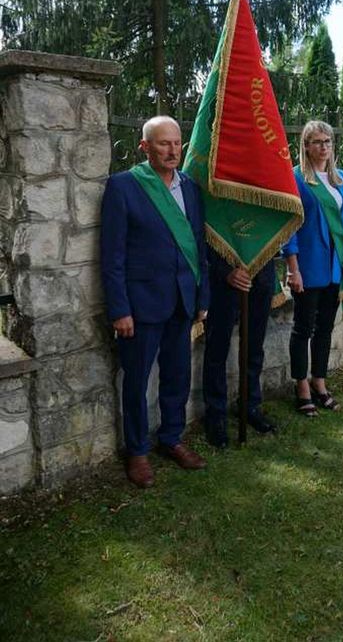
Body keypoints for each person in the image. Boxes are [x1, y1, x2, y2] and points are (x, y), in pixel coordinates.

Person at [101, 116, 209, 487]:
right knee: (136, 382)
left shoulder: (191, 189)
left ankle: (172, 439)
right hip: (141, 306)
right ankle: (137, 451)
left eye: (177, 143)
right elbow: (112, 255)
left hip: (181, 301)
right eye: (163, 144)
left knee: (178, 376)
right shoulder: (124, 187)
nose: (172, 150)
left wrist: (202, 297)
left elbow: (198, 247)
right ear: (144, 147)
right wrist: (120, 309)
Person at [282, 121, 343, 417]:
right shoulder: (296, 178)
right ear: (306, 146)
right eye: (316, 142)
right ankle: (301, 387)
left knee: (325, 328)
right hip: (308, 266)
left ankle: (319, 382)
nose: (323, 147)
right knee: (303, 328)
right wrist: (292, 268)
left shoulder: (340, 178)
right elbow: (290, 228)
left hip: (335, 267)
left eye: (327, 141)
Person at [202, 249, 277, 448]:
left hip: (261, 273)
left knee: (254, 348)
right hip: (224, 280)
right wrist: (225, 271)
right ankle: (216, 415)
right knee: (217, 350)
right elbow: (206, 233)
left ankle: (250, 405)